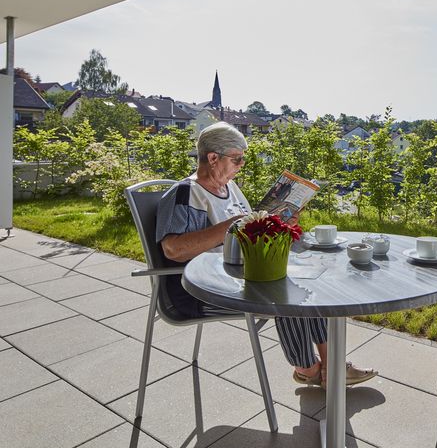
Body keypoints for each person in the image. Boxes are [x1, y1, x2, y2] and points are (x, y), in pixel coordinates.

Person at [155, 121, 376, 388]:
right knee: (286, 298)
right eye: (237, 159)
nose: (242, 165)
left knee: (311, 285)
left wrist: (282, 223)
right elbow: (174, 250)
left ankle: (330, 366)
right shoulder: (185, 194)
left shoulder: (230, 189)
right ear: (213, 158)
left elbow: (250, 234)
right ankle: (309, 368)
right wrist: (231, 225)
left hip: (243, 276)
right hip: (200, 290)